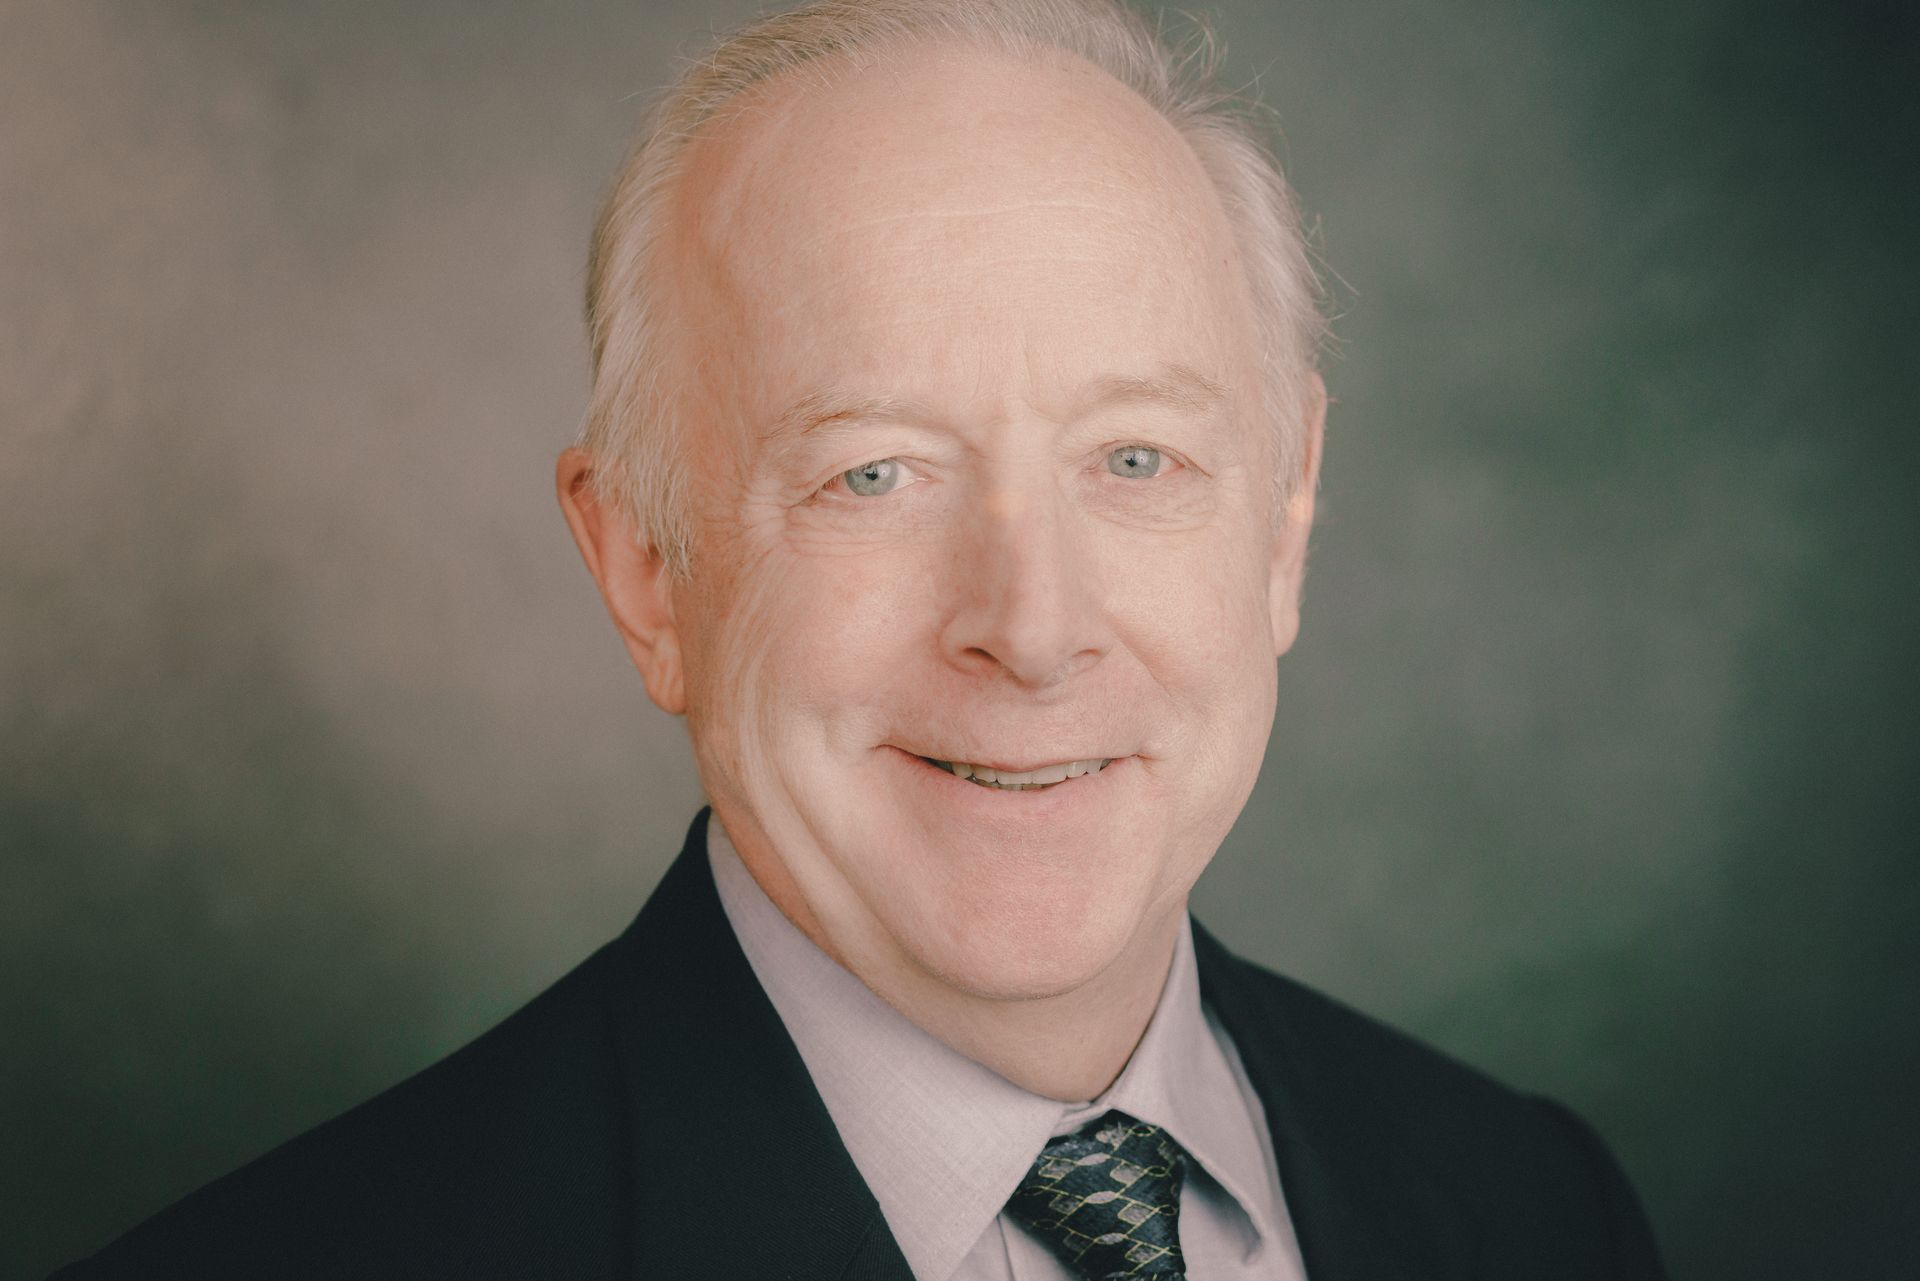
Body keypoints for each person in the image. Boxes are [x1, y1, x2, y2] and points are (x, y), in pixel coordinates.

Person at [53, 0, 1666, 1277]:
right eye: (872, 474)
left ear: (1287, 517)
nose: (1033, 629)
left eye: (1136, 459)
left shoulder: (1534, 1205)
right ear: (645, 570)